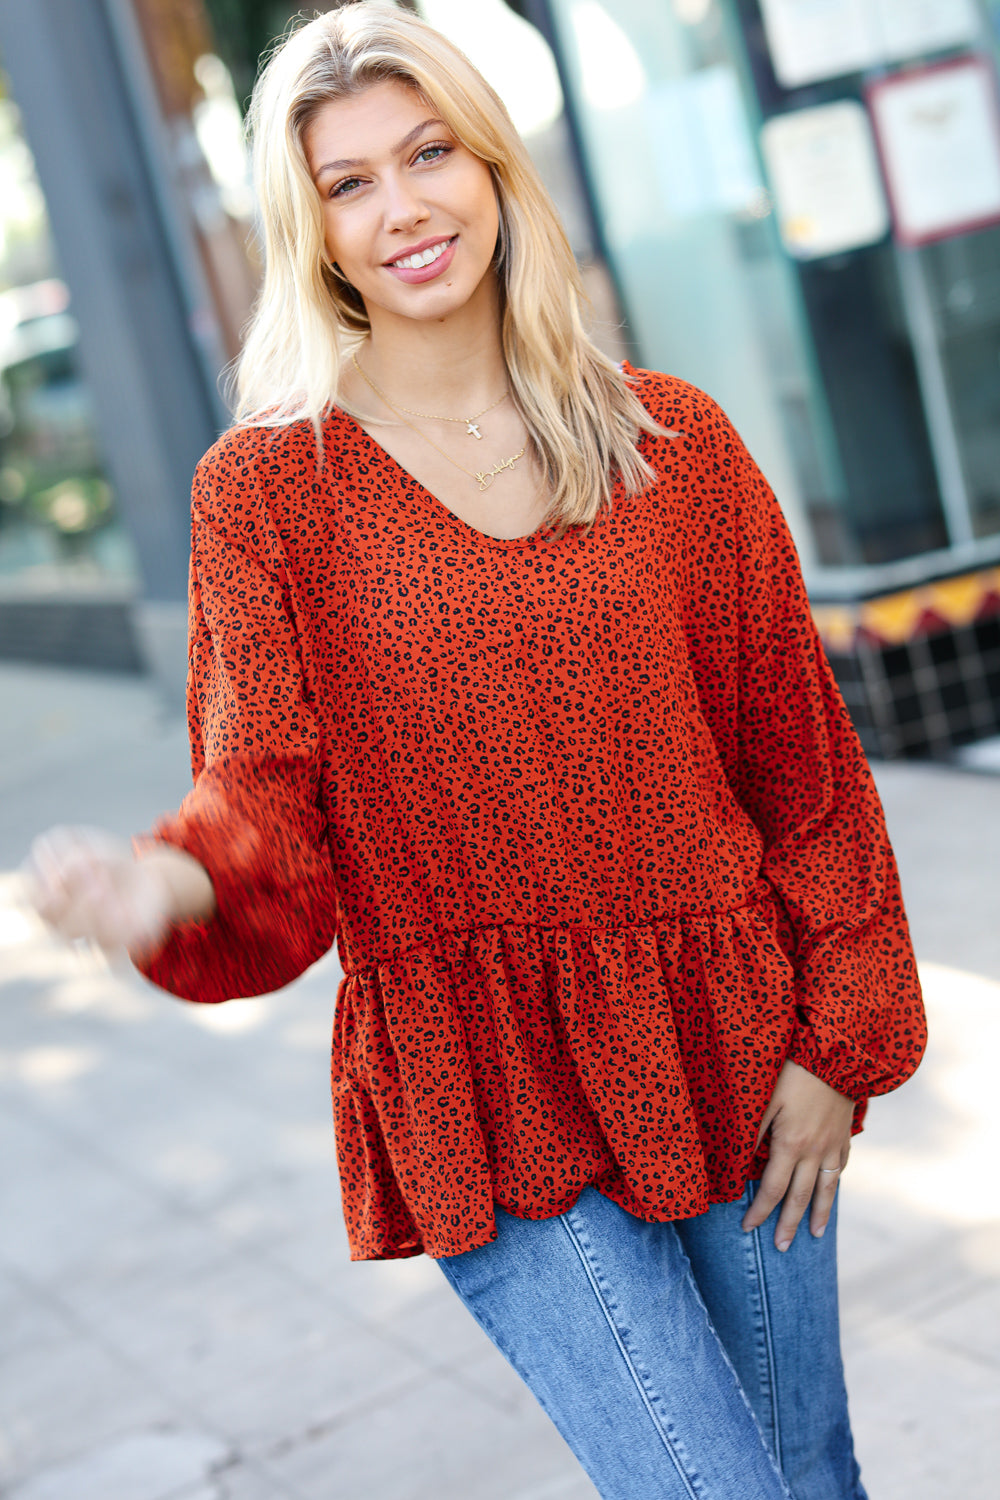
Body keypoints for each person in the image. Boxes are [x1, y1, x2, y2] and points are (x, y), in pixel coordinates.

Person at [28, 4, 926, 1496]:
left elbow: (801, 765)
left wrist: (838, 1041)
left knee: (808, 1476)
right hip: (482, 1086)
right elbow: (260, 796)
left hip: (732, 1042)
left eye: (427, 153)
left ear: (495, 167)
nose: (403, 209)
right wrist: (161, 888)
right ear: (309, 231)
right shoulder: (268, 495)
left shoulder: (674, 444)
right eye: (348, 182)